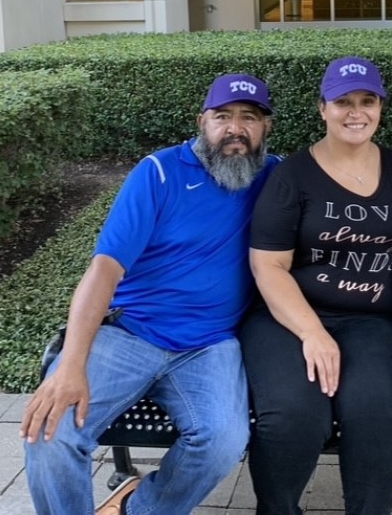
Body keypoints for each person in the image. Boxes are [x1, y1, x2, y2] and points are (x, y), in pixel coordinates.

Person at [21, 73, 281, 515]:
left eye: (249, 117)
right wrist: (71, 365)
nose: (235, 128)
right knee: (51, 431)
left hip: (210, 345)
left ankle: (135, 509)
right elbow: (104, 269)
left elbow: (347, 169)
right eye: (223, 117)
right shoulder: (158, 172)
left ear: (266, 128)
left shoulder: (276, 176)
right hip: (130, 334)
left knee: (222, 441)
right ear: (202, 121)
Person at [240, 56, 392, 515]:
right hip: (287, 319)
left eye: (367, 101)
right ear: (322, 108)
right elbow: (269, 267)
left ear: (380, 108)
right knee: (295, 418)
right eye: (342, 102)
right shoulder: (292, 176)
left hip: (371, 321)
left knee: (378, 416)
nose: (355, 112)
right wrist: (313, 333)